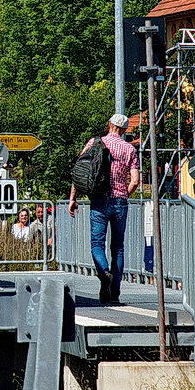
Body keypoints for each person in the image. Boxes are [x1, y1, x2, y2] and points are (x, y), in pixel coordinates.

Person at [67, 113, 140, 305]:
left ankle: (104, 273)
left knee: (97, 244)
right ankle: (114, 293)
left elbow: (81, 171)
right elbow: (135, 181)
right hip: (120, 202)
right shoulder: (130, 149)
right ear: (124, 130)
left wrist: (73, 198)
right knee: (118, 248)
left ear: (109, 125)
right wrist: (123, 194)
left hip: (99, 200)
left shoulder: (94, 142)